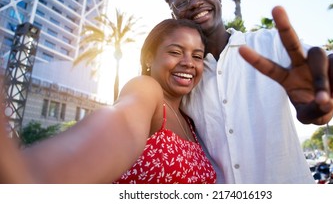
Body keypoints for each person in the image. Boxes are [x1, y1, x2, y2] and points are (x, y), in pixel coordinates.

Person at [161, 0, 333, 183]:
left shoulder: (270, 43)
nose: (194, 2)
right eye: (182, 1)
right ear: (174, 15)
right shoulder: (185, 78)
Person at [0, 19, 216, 184]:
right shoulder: (147, 89)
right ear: (150, 57)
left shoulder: (191, 120)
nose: (188, 63)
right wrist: (36, 177)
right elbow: (121, 123)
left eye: (197, 56)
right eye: (176, 52)